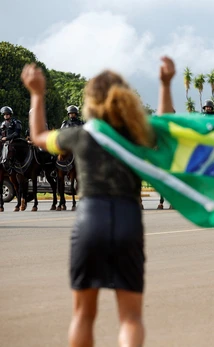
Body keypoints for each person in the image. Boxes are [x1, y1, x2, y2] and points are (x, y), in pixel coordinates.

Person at [21, 56, 175, 346]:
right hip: (128, 219)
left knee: (83, 315)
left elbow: (39, 135)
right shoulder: (138, 133)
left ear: (91, 100)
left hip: (90, 220)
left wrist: (37, 94)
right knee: (130, 317)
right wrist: (165, 85)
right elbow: (165, 126)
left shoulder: (80, 135)